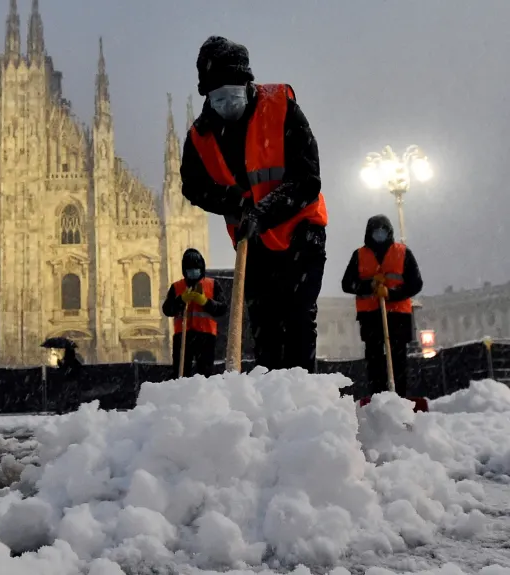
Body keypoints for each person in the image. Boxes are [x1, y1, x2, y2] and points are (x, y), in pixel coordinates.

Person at [180, 35, 328, 373]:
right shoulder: (201, 135)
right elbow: (192, 186)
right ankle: (271, 396)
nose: (226, 104)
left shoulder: (281, 107)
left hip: (301, 231)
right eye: (217, 97)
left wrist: (263, 212)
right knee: (265, 328)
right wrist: (230, 200)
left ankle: (303, 395)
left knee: (298, 319)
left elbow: (308, 179)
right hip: (252, 241)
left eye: (232, 94)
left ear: (247, 85)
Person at [340, 214, 423, 398]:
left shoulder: (402, 252)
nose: (379, 234)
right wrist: (369, 286)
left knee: (398, 359)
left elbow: (416, 283)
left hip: (398, 315)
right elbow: (347, 284)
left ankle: (399, 396)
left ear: (389, 231)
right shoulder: (359, 255)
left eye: (383, 230)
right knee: (374, 360)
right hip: (370, 316)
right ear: (369, 233)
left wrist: (392, 294)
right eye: (376, 231)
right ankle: (377, 397)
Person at [162, 248, 227, 377]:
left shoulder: (213, 284)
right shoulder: (176, 287)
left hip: (206, 336)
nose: (193, 272)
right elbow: (167, 310)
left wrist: (205, 302)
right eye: (189, 270)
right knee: (180, 373)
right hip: (182, 335)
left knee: (205, 373)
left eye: (196, 269)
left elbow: (222, 309)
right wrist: (180, 300)